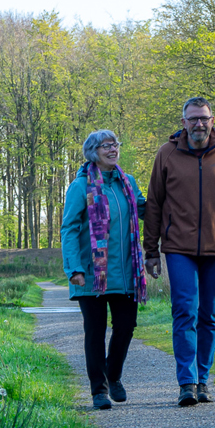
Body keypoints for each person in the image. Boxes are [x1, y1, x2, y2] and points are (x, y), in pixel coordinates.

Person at [143, 97, 215, 407]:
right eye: (193, 119)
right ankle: (187, 383)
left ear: (212, 120)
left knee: (209, 315)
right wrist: (151, 251)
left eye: (204, 118)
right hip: (178, 247)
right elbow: (154, 205)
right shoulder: (167, 154)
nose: (199, 124)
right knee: (185, 311)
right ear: (183, 123)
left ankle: (203, 380)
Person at [62, 130, 148, 410]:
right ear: (93, 152)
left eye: (115, 144)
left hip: (125, 272)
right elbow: (69, 229)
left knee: (126, 327)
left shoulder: (128, 183)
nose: (113, 149)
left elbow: (145, 210)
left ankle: (113, 375)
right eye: (106, 146)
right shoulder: (81, 186)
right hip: (91, 274)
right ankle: (99, 390)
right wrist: (74, 268)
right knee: (95, 332)